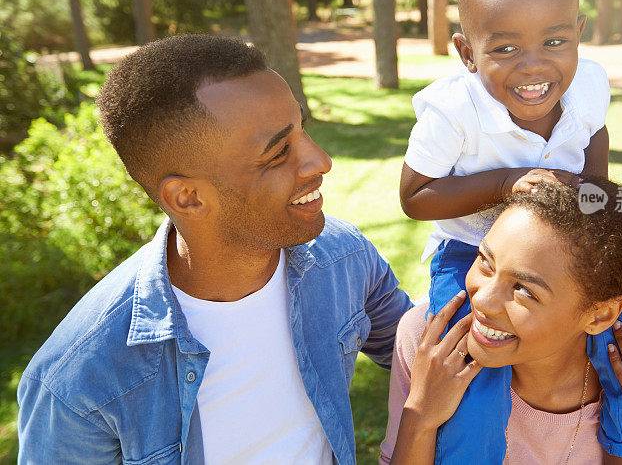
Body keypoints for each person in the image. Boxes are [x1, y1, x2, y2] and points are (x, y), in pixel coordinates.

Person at [16, 34, 413, 465]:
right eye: (279, 152)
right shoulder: (78, 379)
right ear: (188, 198)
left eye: (304, 129)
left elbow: (432, 362)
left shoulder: (344, 258)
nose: (320, 160)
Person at [398, 0, 622, 461]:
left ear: (579, 33)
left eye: (555, 42)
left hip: (559, 253)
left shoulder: (587, 85)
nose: (535, 66)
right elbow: (415, 195)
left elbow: (594, 134)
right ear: (468, 53)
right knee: (470, 365)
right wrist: (503, 183)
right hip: (474, 256)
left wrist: (594, 199)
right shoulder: (452, 111)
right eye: (506, 48)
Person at [382, 179, 622, 464]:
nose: (481, 300)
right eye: (485, 262)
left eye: (522, 290)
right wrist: (420, 418)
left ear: (600, 314)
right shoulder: (428, 344)